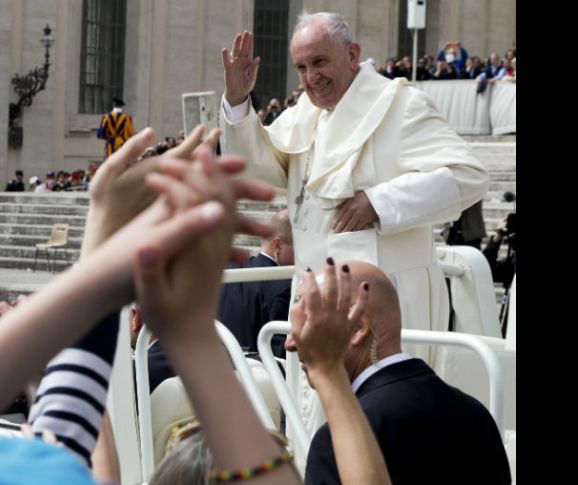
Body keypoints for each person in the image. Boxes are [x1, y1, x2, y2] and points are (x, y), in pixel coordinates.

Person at [0, 126, 300, 485]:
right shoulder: (59, 462)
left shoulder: (58, 464)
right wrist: (188, 333)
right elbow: (68, 431)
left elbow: (67, 428)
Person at [219, 12, 489, 346]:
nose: (311, 77)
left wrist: (379, 202)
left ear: (352, 54)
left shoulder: (402, 106)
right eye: (301, 67)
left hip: (384, 302)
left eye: (319, 61)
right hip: (315, 298)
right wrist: (237, 101)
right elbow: (256, 167)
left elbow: (469, 174)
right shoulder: (304, 115)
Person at [286, 259, 511, 485]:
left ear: (358, 328)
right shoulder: (476, 413)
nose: (289, 343)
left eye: (306, 325)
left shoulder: (337, 442)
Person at [217, 208, 294, 358]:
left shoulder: (226, 273)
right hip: (261, 376)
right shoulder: (285, 286)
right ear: (277, 245)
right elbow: (283, 355)